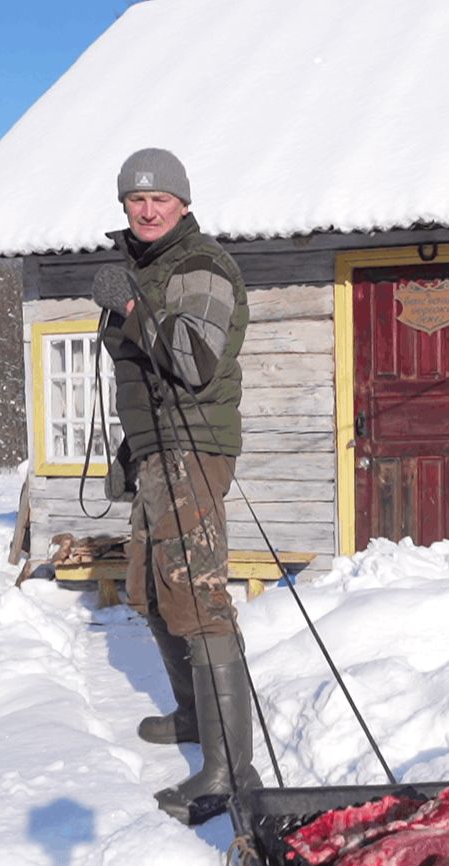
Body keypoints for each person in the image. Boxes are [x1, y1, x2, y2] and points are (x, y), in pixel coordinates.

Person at [102, 148, 255, 826]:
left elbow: (192, 360)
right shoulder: (149, 267)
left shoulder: (202, 267)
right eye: (136, 199)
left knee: (197, 594)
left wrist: (133, 306)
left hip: (194, 446)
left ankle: (231, 767)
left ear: (183, 203)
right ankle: (194, 716)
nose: (148, 207)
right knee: (148, 587)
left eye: (160, 197)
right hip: (155, 451)